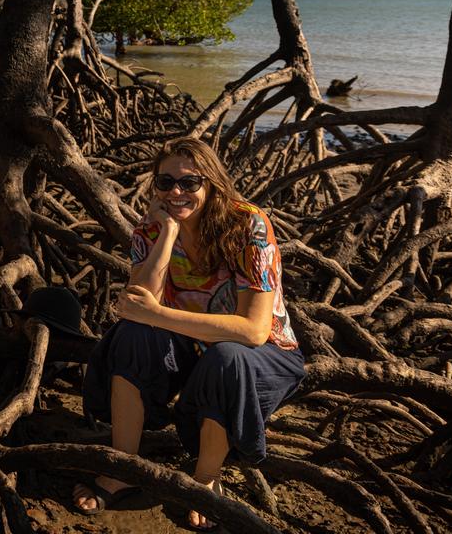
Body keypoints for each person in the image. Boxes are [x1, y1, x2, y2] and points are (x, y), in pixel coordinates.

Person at [77, 137, 304, 531]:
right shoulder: (149, 230)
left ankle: (204, 478)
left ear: (212, 183)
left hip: (262, 354)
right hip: (192, 343)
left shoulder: (248, 225)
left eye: (189, 183)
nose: (176, 192)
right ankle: (124, 465)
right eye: (165, 183)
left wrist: (159, 314)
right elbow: (136, 305)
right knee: (132, 334)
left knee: (226, 356)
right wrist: (166, 233)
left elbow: (253, 330)